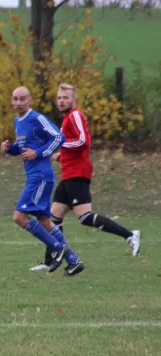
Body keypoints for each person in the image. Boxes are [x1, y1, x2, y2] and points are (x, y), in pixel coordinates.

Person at [31, 83, 141, 271]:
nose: (61, 101)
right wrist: (61, 154)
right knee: (53, 218)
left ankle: (130, 235)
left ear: (73, 100)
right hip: (68, 174)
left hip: (78, 173)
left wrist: (62, 146)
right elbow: (72, 144)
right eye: (59, 98)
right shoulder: (67, 118)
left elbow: (83, 141)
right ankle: (50, 261)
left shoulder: (75, 115)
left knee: (84, 217)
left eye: (65, 97)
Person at [0, 86, 85, 276]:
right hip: (36, 177)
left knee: (19, 217)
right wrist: (9, 149)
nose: (18, 103)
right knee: (45, 220)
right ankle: (73, 260)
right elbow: (23, 149)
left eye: (22, 99)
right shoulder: (18, 121)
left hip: (40, 177)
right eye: (15, 99)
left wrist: (39, 153)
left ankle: (57, 247)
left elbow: (59, 137)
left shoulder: (36, 118)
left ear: (30, 100)